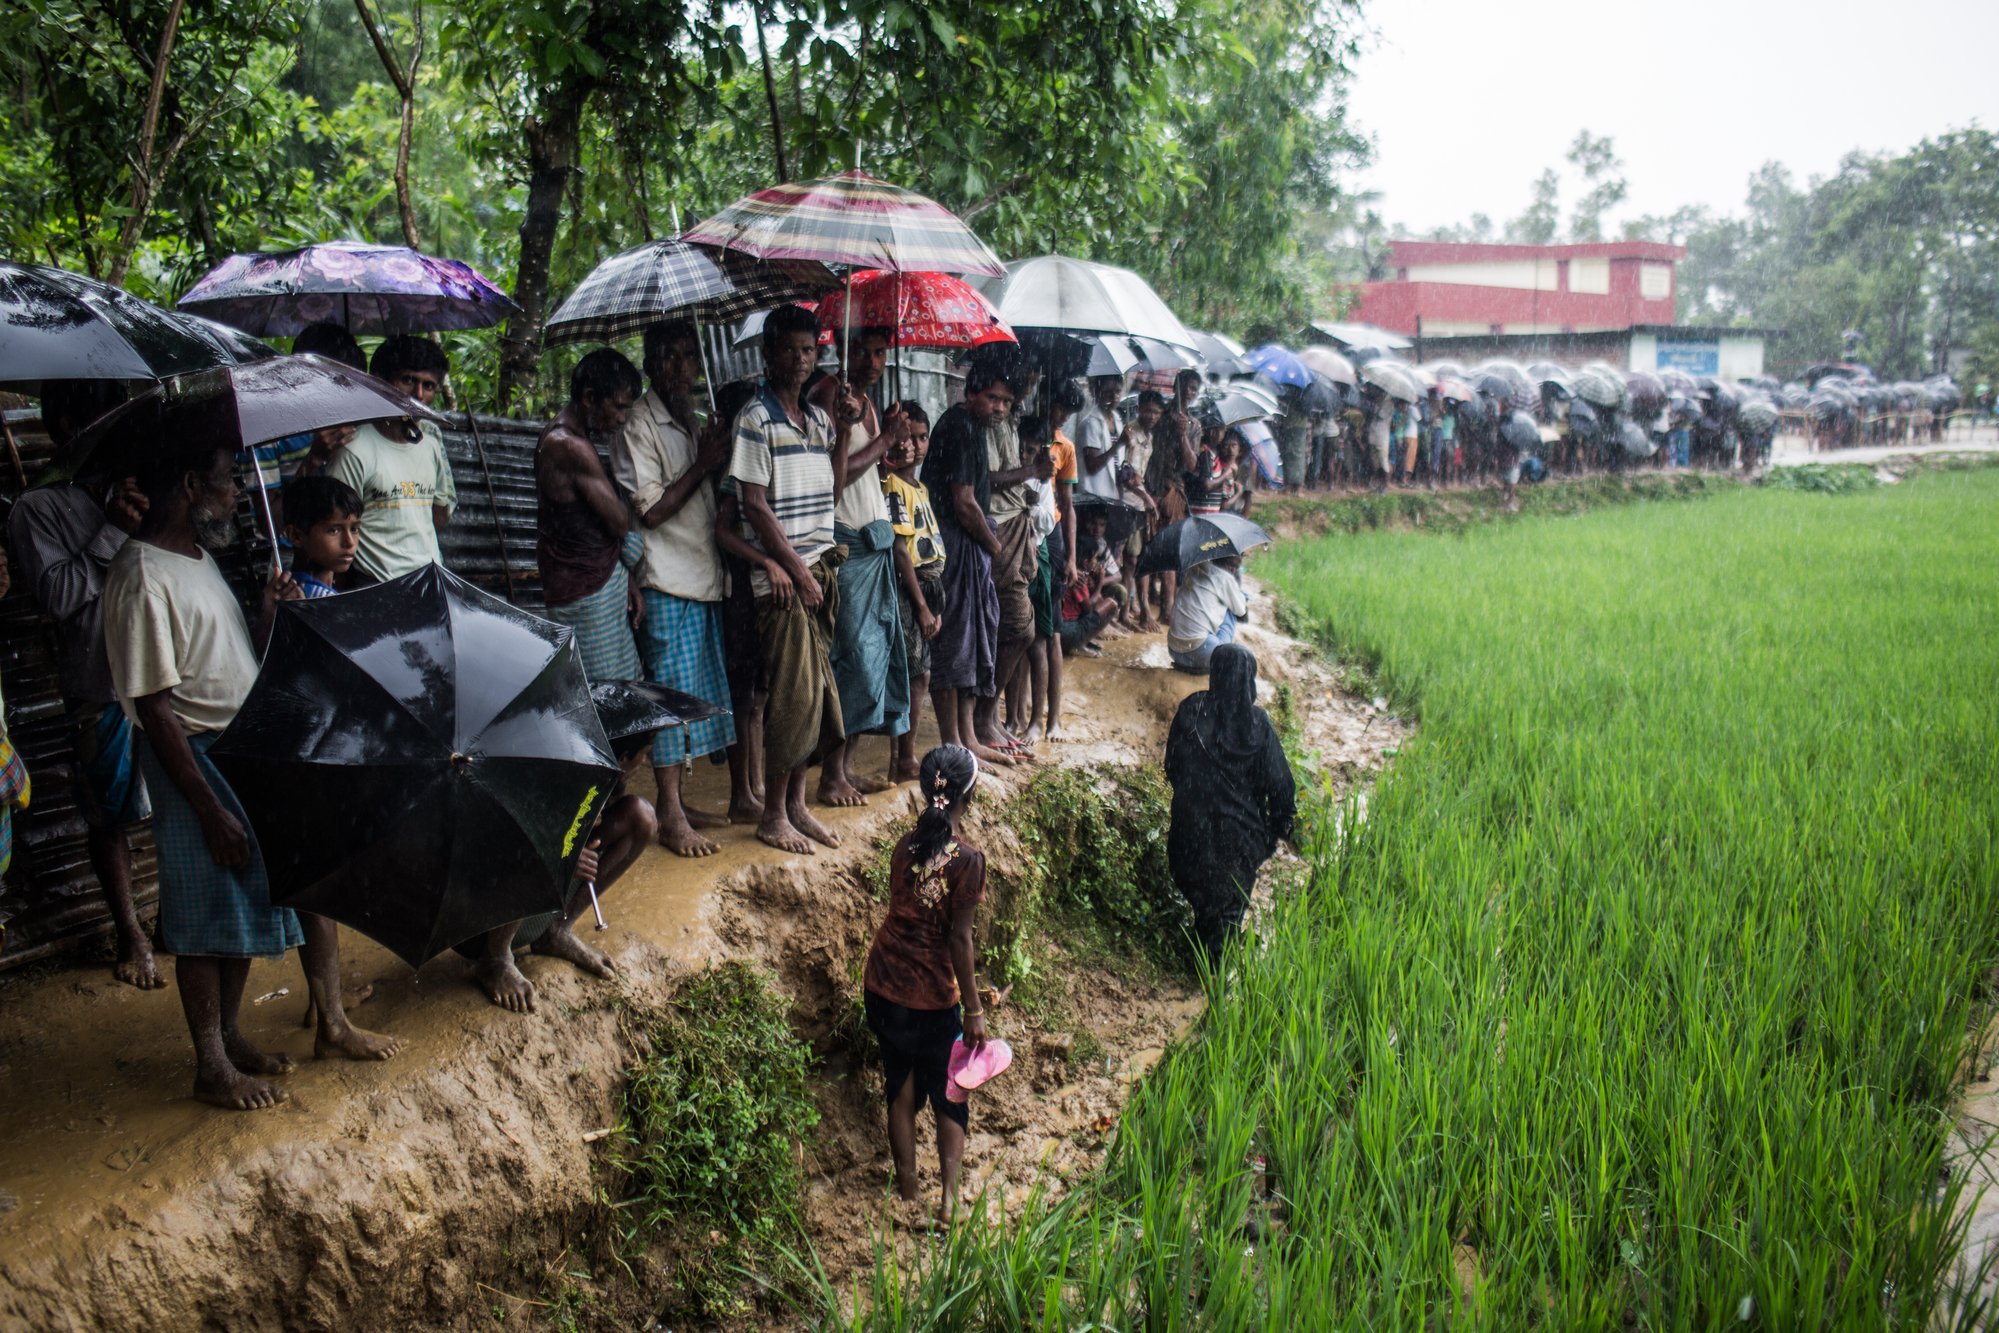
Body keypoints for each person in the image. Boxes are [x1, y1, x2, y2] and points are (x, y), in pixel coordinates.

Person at [103, 437, 398, 1110]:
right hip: (194, 757)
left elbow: (233, 659)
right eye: (223, 480)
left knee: (234, 904)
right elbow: (153, 704)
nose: (236, 493)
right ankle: (210, 1062)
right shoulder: (144, 574)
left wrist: (268, 610)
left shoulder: (195, 559)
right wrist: (207, 805)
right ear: (187, 483)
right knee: (206, 911)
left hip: (231, 747)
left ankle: (229, 1037)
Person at [7, 379, 160, 988]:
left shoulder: (146, 483)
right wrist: (112, 532)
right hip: (102, 683)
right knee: (110, 816)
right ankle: (130, 934)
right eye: (103, 419)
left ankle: (174, 919)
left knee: (179, 800)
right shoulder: (36, 509)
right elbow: (62, 595)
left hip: (164, 671)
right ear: (69, 426)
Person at [725, 303, 847, 855]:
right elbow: (753, 505)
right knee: (793, 694)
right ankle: (773, 813)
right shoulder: (754, 418)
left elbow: (833, 489)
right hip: (785, 579)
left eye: (809, 350)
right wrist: (796, 572)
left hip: (821, 564)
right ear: (768, 355)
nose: (801, 361)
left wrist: (843, 430)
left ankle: (797, 804)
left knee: (820, 690)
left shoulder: (818, 419)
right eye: (790, 350)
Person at [613, 321, 738, 857]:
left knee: (695, 699)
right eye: (670, 358)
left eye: (689, 357)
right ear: (651, 365)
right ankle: (667, 810)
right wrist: (702, 463)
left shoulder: (693, 421)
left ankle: (678, 805)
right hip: (665, 577)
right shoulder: (637, 425)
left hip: (702, 574)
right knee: (667, 698)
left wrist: (716, 452)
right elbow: (654, 509)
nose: (682, 368)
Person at [862, 743, 989, 1223]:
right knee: (951, 1089)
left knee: (901, 1082)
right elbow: (959, 940)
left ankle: (909, 1192)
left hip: (885, 983)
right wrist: (974, 1010)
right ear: (968, 797)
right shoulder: (967, 861)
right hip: (933, 996)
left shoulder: (905, 845)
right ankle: (950, 1201)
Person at [807, 326, 911, 806]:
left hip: (874, 542)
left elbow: (868, 470)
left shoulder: (867, 403)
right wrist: (883, 439)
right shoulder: (831, 393)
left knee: (872, 661)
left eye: (879, 352)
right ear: (842, 352)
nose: (872, 361)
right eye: (863, 352)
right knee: (850, 661)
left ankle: (843, 769)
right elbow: (836, 477)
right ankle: (830, 775)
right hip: (844, 543)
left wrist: (890, 443)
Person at [464, 776, 656, 1014]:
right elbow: (494, 858)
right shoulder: (508, 788)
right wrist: (556, 858)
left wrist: (566, 852)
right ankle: (495, 960)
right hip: (483, 922)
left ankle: (558, 930)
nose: (599, 820)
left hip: (533, 896)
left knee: (640, 816)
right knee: (522, 844)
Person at [1162, 644, 1294, 964]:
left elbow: (1172, 767)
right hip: (1236, 846)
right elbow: (1280, 787)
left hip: (1187, 842)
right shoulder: (1257, 726)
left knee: (1209, 906)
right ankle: (1212, 992)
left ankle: (1200, 948)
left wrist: (1196, 799)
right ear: (1248, 680)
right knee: (1223, 927)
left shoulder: (1192, 710)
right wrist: (1277, 830)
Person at [919, 365, 1015, 767]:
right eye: (993, 398)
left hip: (964, 542)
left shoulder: (975, 428)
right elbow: (963, 502)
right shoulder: (959, 427)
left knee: (971, 641)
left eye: (1006, 402)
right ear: (971, 393)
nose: (999, 408)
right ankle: (953, 741)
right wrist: (994, 546)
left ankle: (967, 737)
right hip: (952, 543)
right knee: (954, 639)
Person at [536, 348, 645, 683]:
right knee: (605, 696)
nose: (623, 418)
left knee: (619, 690)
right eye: (619, 406)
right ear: (589, 398)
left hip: (593, 582)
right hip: (584, 592)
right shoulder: (569, 445)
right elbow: (618, 522)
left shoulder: (572, 437)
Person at [323, 335, 458, 583]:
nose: (418, 394)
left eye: (428, 386)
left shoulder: (430, 445)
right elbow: (333, 532)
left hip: (430, 583)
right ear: (381, 381)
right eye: (408, 380)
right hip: (376, 588)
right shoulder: (354, 450)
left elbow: (438, 513)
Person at [976, 351, 1049, 759]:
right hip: (997, 534)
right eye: (1029, 377)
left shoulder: (1009, 422)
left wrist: (1030, 484)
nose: (1031, 385)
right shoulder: (981, 426)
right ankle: (985, 717)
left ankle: (990, 716)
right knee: (1018, 627)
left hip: (1014, 529)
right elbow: (985, 480)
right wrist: (1028, 474)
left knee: (1014, 627)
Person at [883, 403, 943, 784]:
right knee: (914, 674)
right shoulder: (894, 486)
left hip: (929, 587)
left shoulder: (919, 487)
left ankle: (904, 756)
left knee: (920, 672)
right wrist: (921, 606)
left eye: (922, 438)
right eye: (907, 437)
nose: (915, 446)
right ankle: (903, 758)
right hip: (912, 589)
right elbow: (900, 549)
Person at [280, 475, 364, 597]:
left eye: (354, 529)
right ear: (295, 536)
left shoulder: (295, 588)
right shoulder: (314, 598)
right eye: (333, 531)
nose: (349, 542)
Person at [1168, 555, 1248, 674]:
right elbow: (1241, 611)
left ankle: (1198, 660)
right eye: (1234, 567)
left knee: (1225, 599)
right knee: (1235, 605)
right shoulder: (1225, 578)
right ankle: (1212, 660)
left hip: (1175, 651)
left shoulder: (1196, 566)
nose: (1234, 571)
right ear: (1230, 567)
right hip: (1201, 654)